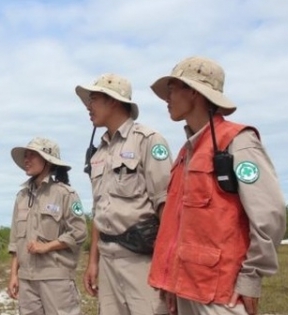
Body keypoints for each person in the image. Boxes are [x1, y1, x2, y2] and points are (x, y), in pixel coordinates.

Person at [148, 56, 286, 315]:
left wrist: (251, 277)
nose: (167, 98)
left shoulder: (237, 142)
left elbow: (269, 213)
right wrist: (170, 283)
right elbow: (178, 225)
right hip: (183, 289)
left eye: (173, 89)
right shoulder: (184, 154)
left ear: (194, 93)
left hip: (219, 292)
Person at [77, 74, 172, 315]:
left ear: (113, 101)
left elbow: (167, 208)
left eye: (94, 99)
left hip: (142, 260)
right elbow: (100, 209)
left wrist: (168, 268)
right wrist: (93, 262)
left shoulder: (148, 141)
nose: (89, 106)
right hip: (108, 262)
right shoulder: (98, 153)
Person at [6, 137, 88, 315]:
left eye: (32, 155)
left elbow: (79, 232)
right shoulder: (21, 197)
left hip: (55, 278)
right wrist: (14, 275)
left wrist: (47, 247)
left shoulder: (65, 194)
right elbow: (15, 242)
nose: (26, 160)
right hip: (26, 279)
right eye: (25, 155)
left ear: (48, 161)